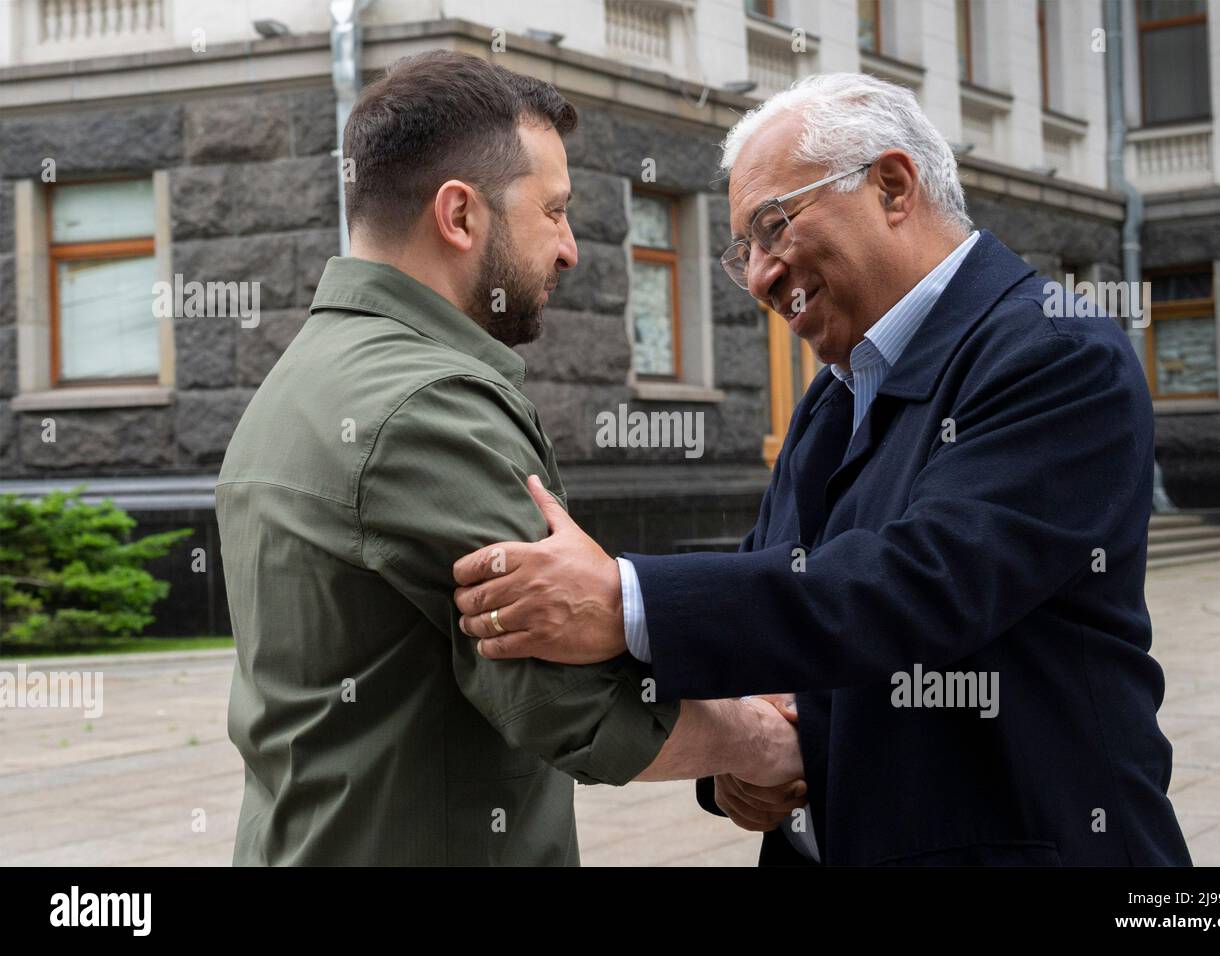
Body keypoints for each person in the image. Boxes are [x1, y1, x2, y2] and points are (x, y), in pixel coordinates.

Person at [452, 73, 1192, 867]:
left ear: (893, 187)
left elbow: (916, 587)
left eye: (774, 228)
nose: (763, 277)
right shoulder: (840, 387)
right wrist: (741, 757)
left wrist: (623, 598)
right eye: (745, 252)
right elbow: (788, 594)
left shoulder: (1055, 350)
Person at [216, 50, 800, 866]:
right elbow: (568, 704)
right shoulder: (429, 407)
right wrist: (767, 745)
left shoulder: (302, 377)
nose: (569, 250)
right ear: (460, 215)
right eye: (554, 211)